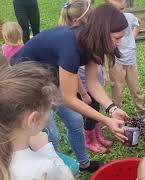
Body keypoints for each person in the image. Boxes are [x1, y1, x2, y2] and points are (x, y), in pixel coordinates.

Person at [10, 4, 129, 172]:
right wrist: (107, 121)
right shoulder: (71, 47)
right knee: (50, 135)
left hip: (49, 78)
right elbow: (69, 99)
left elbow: (93, 83)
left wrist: (112, 109)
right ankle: (53, 170)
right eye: (117, 38)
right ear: (103, 32)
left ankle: (83, 163)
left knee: (75, 121)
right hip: (25, 83)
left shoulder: (92, 41)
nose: (119, 43)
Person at [0, 62, 74, 180]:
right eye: (48, 110)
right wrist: (46, 150)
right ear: (33, 120)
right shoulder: (43, 167)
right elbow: (67, 177)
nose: (49, 115)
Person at [58, 0, 112, 154]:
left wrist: (105, 72)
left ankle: (97, 135)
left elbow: (96, 59)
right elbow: (71, 74)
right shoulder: (71, 43)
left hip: (94, 82)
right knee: (88, 115)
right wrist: (82, 93)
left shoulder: (87, 36)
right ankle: (89, 140)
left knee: (97, 108)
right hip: (82, 86)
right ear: (79, 21)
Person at [106, 0, 145, 125]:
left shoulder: (129, 17)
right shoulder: (108, 22)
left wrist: (133, 37)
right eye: (116, 10)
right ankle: (117, 114)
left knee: (135, 89)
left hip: (131, 60)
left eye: (121, 10)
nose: (119, 13)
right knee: (117, 91)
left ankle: (141, 112)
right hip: (116, 61)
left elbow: (138, 24)